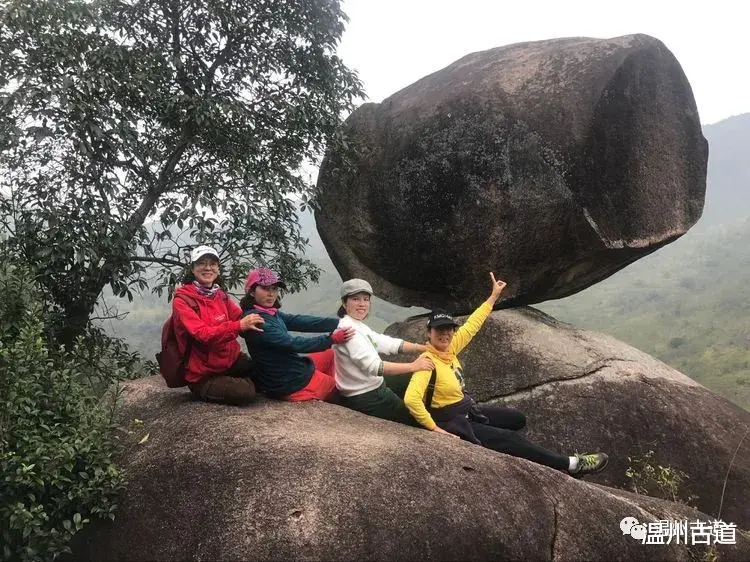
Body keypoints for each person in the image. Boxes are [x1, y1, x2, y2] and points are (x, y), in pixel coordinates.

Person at [403, 273, 609, 477]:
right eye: (439, 329)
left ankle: (497, 440)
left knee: (517, 419)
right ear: (429, 333)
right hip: (452, 421)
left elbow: (473, 325)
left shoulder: (450, 350)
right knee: (509, 438)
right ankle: (571, 464)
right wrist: (434, 429)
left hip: (466, 409)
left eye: (449, 328)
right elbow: (411, 399)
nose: (445, 333)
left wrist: (493, 296)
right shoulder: (427, 362)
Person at [240, 267, 355, 401]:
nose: (271, 294)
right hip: (291, 382)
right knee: (342, 389)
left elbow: (299, 321)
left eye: (274, 289)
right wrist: (331, 339)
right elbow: (293, 343)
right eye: (265, 288)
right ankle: (327, 391)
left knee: (333, 354)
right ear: (252, 292)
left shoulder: (269, 313)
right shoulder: (256, 320)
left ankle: (323, 382)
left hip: (293, 369)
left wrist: (339, 323)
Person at [332, 279, 434, 425]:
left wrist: (422, 347)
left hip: (371, 386)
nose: (362, 304)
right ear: (344, 303)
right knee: (416, 418)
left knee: (420, 377)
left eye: (366, 299)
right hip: (367, 394)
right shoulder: (348, 332)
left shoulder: (356, 325)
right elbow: (375, 367)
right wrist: (414, 365)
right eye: (355, 299)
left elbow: (386, 343)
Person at [172, 245, 265, 405]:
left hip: (229, 360)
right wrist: (238, 326)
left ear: (218, 269)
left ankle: (240, 381)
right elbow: (202, 334)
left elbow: (240, 316)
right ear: (192, 268)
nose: (208, 268)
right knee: (246, 393)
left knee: (269, 372)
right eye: (202, 263)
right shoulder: (183, 300)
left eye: (213, 264)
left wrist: (268, 318)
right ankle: (213, 388)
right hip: (203, 373)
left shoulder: (219, 294)